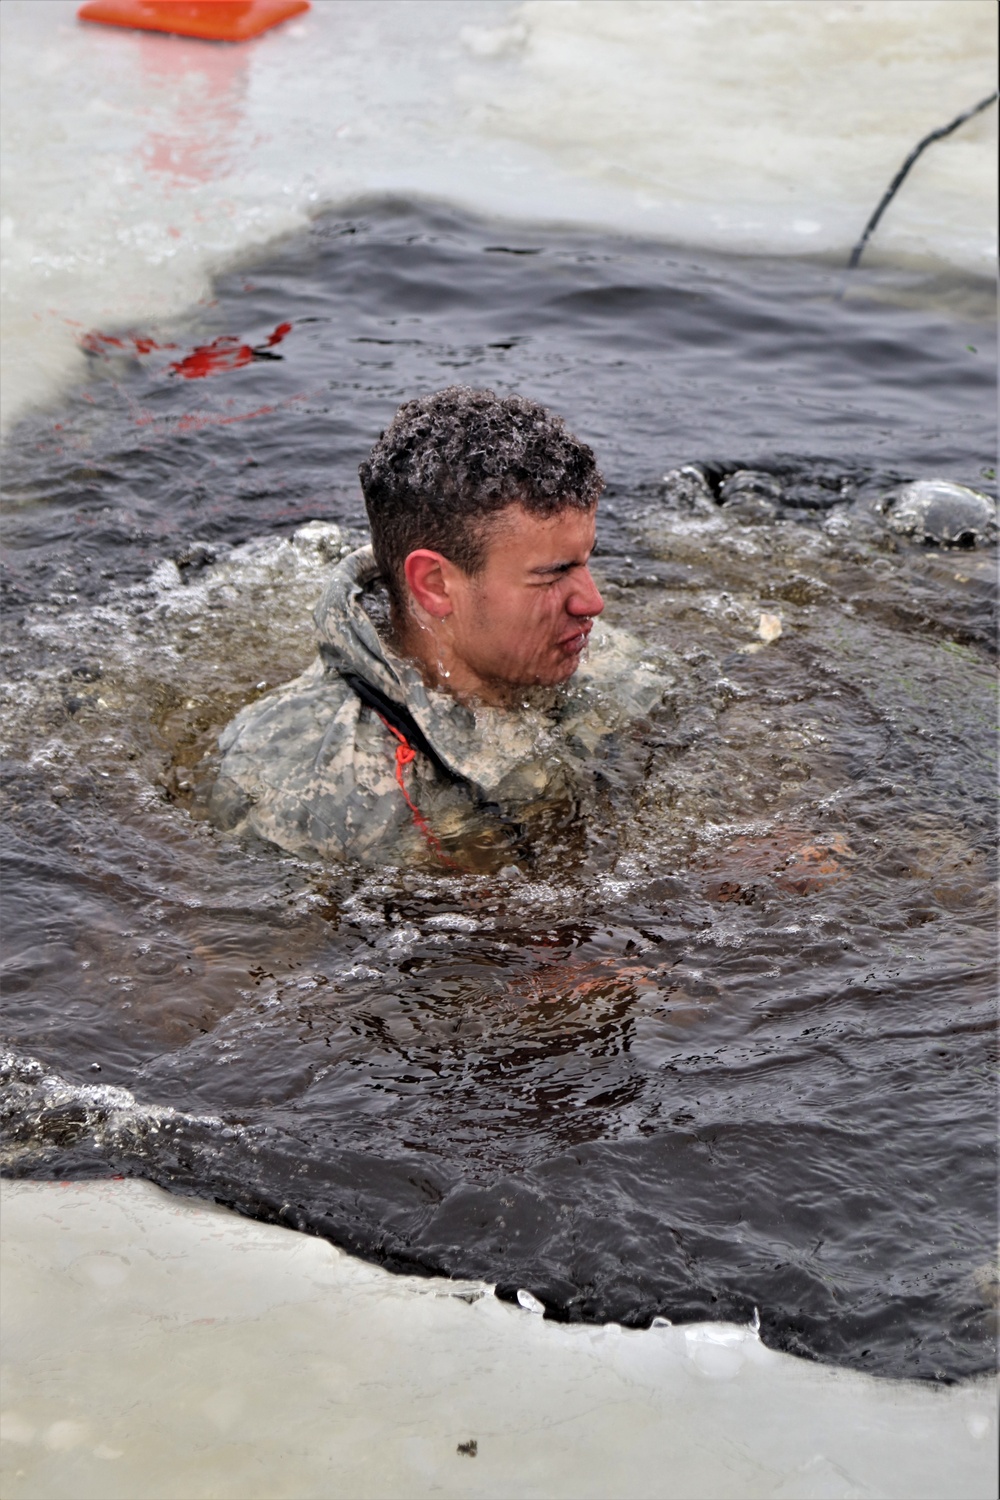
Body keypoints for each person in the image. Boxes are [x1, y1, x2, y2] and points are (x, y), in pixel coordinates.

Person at [210, 386, 668, 867]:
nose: (594, 602)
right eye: (554, 573)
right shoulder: (302, 796)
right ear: (435, 585)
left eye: (586, 560)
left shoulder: (615, 669)